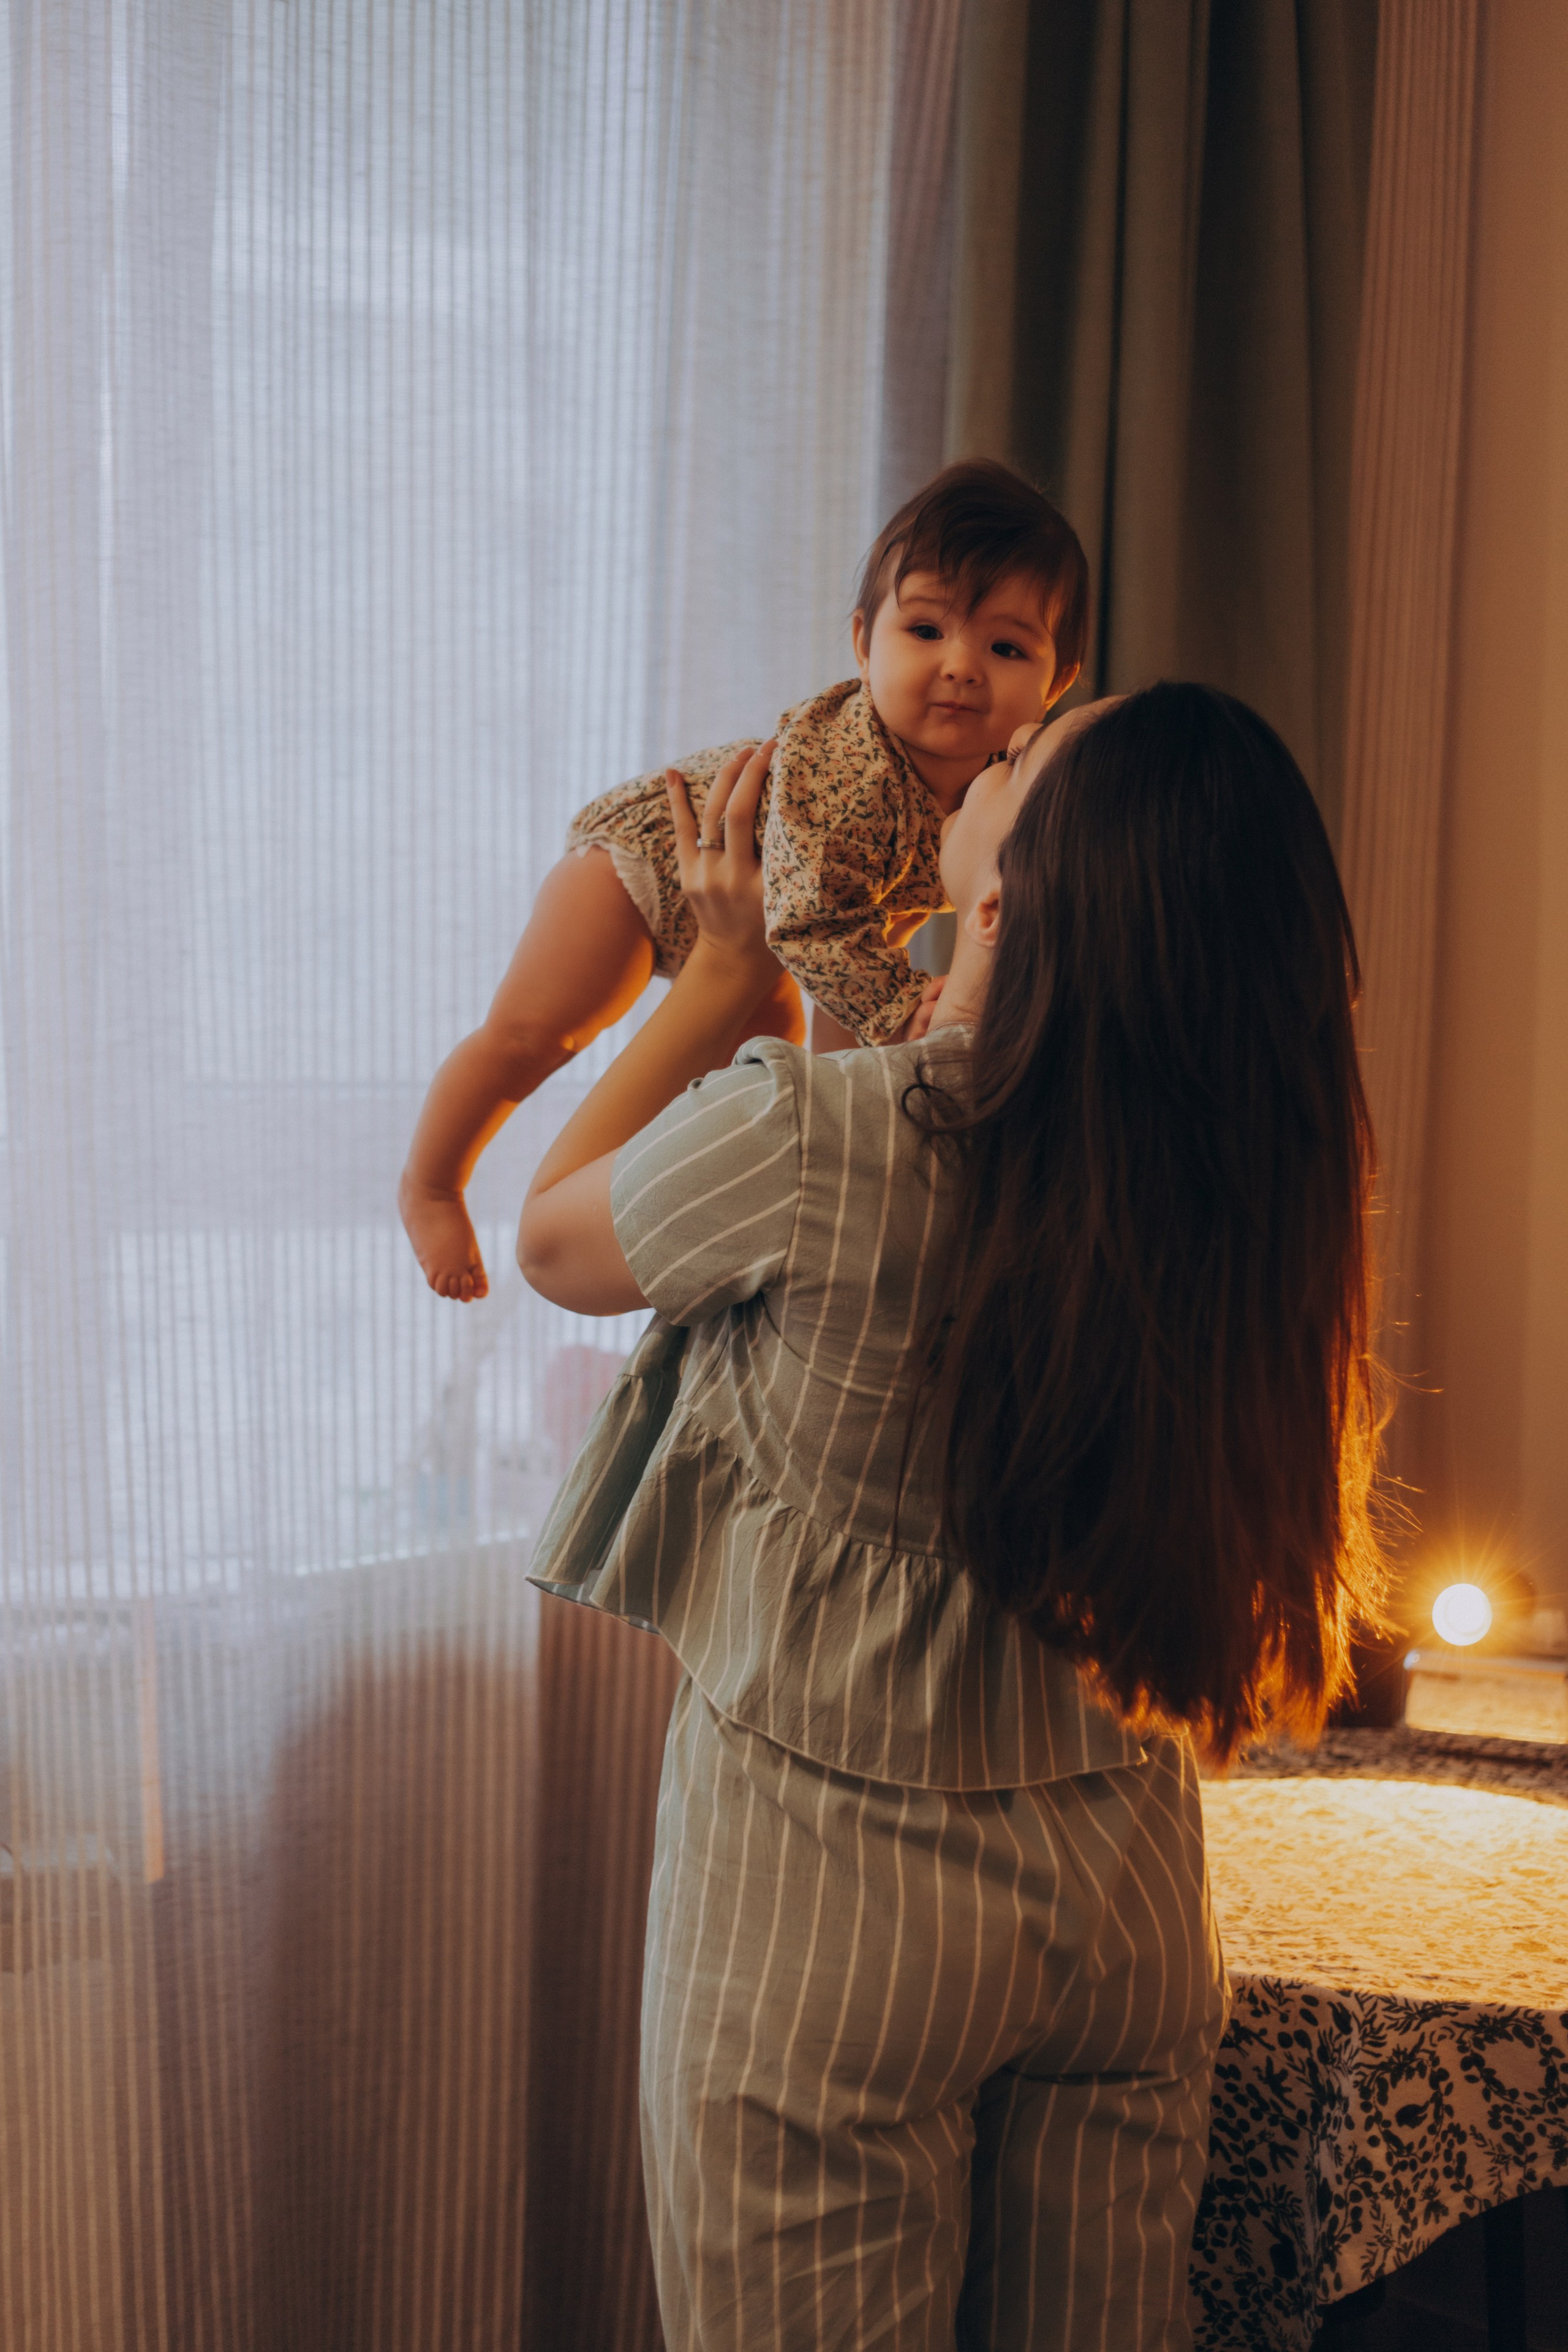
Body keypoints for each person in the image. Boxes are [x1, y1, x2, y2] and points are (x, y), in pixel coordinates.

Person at [516, 684, 1385, 2350]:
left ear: (1009, 889)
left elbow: (554, 1243)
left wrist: (712, 990)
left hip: (829, 1910)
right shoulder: (1228, 1191)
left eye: (1016, 763)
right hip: (1121, 1892)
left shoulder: (813, 1134)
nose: (980, 757)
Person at [400, 461, 1086, 1301]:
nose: (962, 666)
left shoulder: (989, 795)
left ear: (1055, 684)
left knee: (760, 1063)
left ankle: (696, 1210)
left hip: (767, 934)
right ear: (864, 643)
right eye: (927, 632)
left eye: (1006, 646)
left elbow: (845, 945)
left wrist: (875, 1070)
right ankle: (433, 1181)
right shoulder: (856, 774)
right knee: (534, 1036)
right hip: (642, 869)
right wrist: (899, 1007)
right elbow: (809, 922)